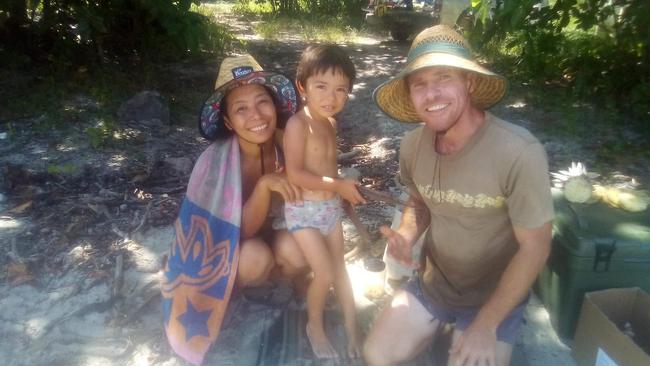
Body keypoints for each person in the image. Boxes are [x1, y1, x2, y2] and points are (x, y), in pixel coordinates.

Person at [363, 25, 554, 366]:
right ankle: (440, 328)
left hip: (493, 297)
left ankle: (471, 331)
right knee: (376, 355)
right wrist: (406, 236)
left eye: (443, 77)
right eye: (419, 83)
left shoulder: (519, 151)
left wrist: (486, 323)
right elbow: (420, 201)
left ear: (470, 82)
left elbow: (536, 246)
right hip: (435, 285)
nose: (431, 93)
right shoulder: (412, 145)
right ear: (410, 94)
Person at [161, 54, 307, 366]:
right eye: (241, 109)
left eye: (262, 102)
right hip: (228, 249)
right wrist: (265, 185)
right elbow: (235, 234)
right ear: (228, 121)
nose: (256, 115)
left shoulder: (287, 143)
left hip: (277, 233)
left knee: (298, 251)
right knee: (256, 258)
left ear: (275, 105)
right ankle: (237, 293)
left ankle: (275, 287)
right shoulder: (213, 163)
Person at [282, 44, 365, 359]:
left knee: (341, 270)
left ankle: (352, 326)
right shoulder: (297, 124)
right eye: (321, 87)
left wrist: (342, 193)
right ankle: (314, 326)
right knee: (326, 273)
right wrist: (338, 185)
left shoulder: (331, 124)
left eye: (341, 89)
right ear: (302, 86)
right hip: (303, 212)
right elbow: (296, 175)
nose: (331, 97)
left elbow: (328, 167)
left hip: (330, 209)